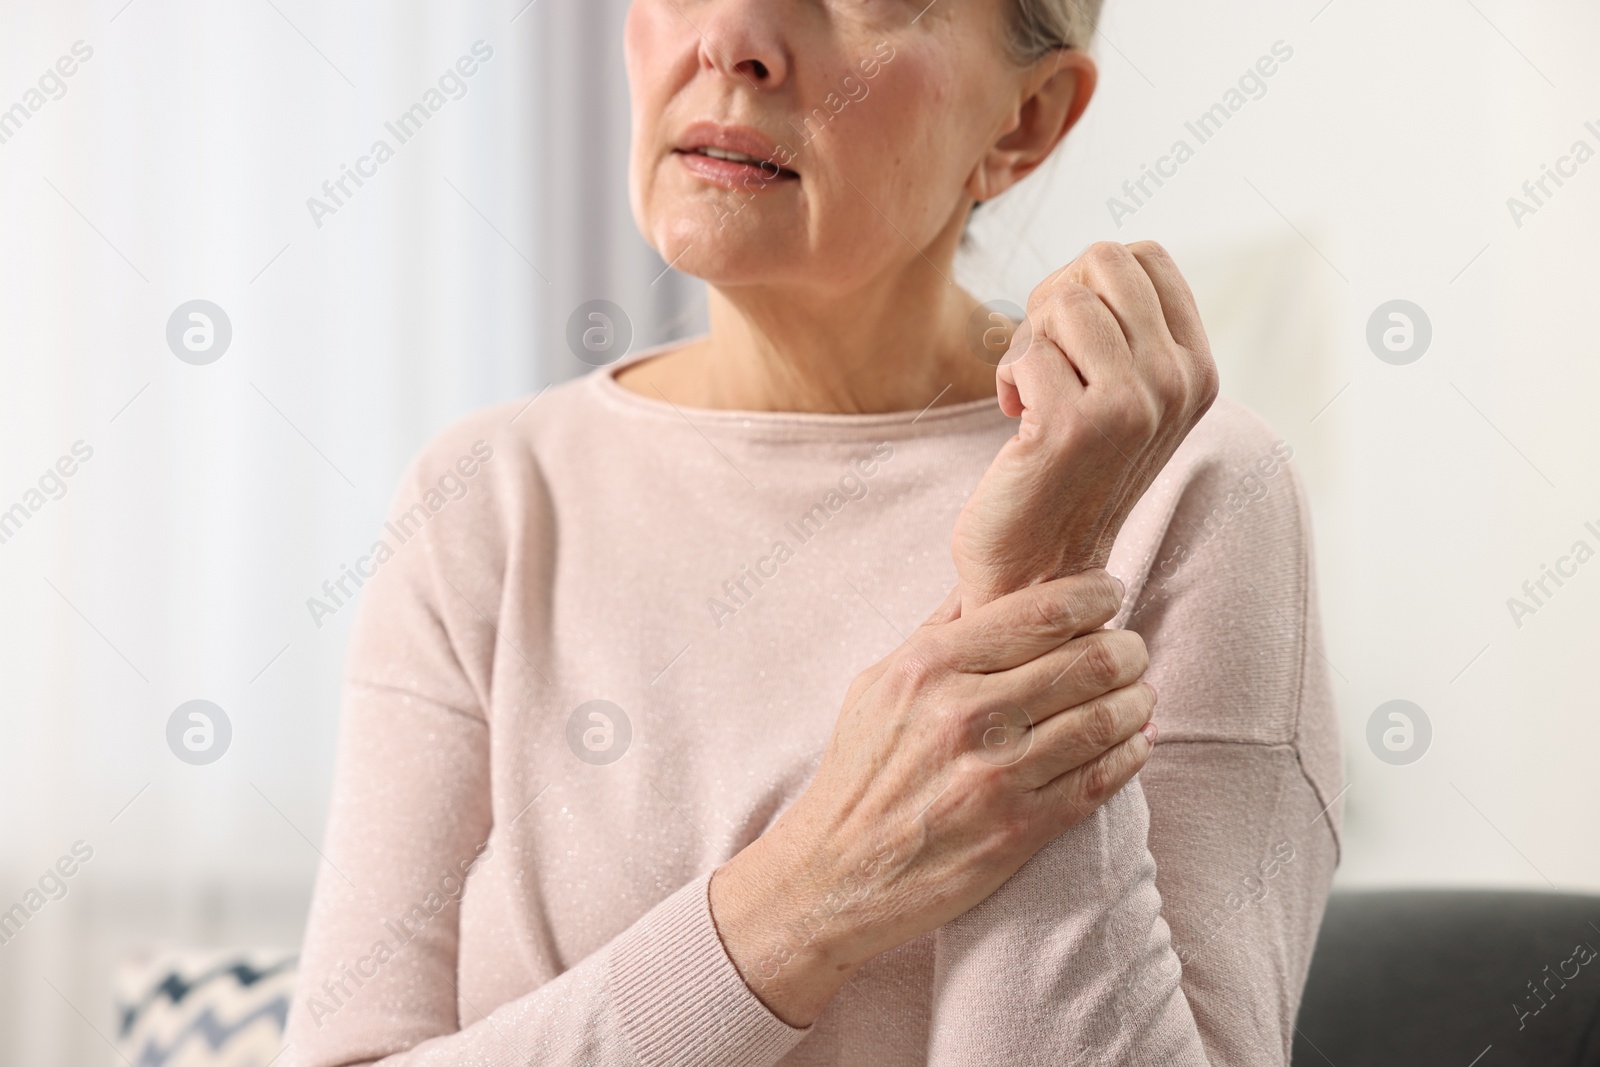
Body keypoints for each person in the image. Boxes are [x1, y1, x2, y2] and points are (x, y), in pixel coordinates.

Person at [285, 0, 1342, 1063]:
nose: (732, 35)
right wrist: (807, 896)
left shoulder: (1186, 488)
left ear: (1025, 120)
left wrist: (1036, 588)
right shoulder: (486, 497)